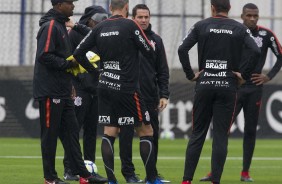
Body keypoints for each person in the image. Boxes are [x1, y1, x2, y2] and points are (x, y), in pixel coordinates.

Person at [73, 0, 164, 183]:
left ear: (110, 8)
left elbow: (78, 53)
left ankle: (112, 179)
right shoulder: (130, 25)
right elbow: (149, 50)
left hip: (105, 86)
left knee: (110, 131)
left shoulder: (100, 27)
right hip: (128, 87)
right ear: (127, 7)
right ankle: (152, 179)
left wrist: (95, 71)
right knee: (146, 131)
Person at [178, 0, 261, 183]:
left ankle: (186, 180)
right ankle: (216, 180)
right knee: (220, 136)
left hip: (205, 85)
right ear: (230, 9)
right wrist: (243, 75)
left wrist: (190, 75)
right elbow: (255, 51)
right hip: (227, 86)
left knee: (198, 134)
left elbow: (182, 49)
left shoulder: (201, 25)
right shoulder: (239, 29)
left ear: (212, 8)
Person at [199, 3, 282, 182]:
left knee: (250, 130)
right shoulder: (234, 31)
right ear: (242, 16)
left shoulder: (266, 34)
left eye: (255, 16)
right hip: (233, 88)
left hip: (254, 89)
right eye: (249, 15)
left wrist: (268, 76)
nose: (252, 19)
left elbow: (280, 56)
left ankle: (245, 172)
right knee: (222, 129)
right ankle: (214, 172)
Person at [33, 0, 105, 184]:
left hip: (62, 90)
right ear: (59, 5)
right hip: (50, 91)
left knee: (72, 133)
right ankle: (50, 178)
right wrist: (68, 65)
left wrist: (69, 82)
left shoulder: (61, 26)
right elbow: (44, 55)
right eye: (70, 3)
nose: (73, 6)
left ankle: (84, 175)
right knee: (50, 136)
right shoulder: (50, 26)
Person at [118, 4, 170, 183]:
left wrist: (164, 94)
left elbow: (162, 70)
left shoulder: (156, 40)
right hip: (126, 94)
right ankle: (129, 174)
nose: (144, 20)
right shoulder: (125, 38)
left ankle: (151, 174)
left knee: (152, 135)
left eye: (146, 17)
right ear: (133, 18)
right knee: (125, 135)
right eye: (140, 17)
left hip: (149, 96)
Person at [62, 5, 108, 183]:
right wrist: (77, 81)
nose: (100, 22)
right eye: (97, 18)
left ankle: (89, 170)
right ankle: (69, 169)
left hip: (96, 90)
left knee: (91, 132)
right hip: (79, 89)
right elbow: (69, 59)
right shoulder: (75, 35)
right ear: (88, 19)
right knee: (74, 130)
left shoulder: (100, 36)